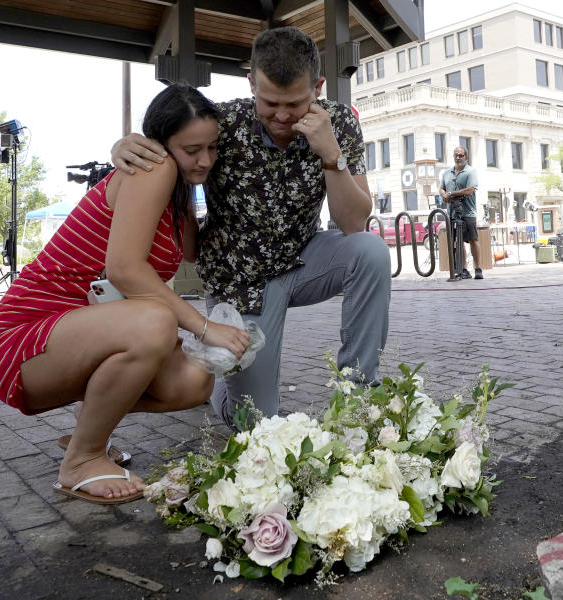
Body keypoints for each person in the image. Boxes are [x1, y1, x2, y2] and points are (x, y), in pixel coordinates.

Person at [0, 84, 251, 504]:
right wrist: (203, 326)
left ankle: (88, 424)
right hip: (22, 337)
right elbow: (125, 269)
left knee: (195, 380)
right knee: (155, 322)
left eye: (213, 147)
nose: (206, 160)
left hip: (80, 334)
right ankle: (82, 460)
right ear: (159, 145)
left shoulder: (179, 196)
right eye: (192, 149)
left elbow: (195, 251)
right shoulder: (153, 168)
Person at [112, 26, 390, 427]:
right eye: (269, 101)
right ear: (250, 83)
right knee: (255, 422)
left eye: (293, 104)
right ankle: (220, 387)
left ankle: (359, 394)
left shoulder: (340, 123)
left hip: (304, 259)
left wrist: (331, 155)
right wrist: (122, 145)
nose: (280, 116)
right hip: (239, 279)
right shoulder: (221, 125)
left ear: (318, 86)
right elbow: (170, 142)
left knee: (371, 251)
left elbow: (353, 223)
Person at [438, 146, 482, 280]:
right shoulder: (446, 173)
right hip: (451, 213)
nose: (458, 158)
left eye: (461, 155)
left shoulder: (471, 171)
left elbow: (469, 190)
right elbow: (441, 189)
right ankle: (463, 270)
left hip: (468, 212)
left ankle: (478, 269)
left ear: (466, 157)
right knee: (458, 241)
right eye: (456, 155)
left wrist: (451, 194)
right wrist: (444, 194)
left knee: (473, 240)